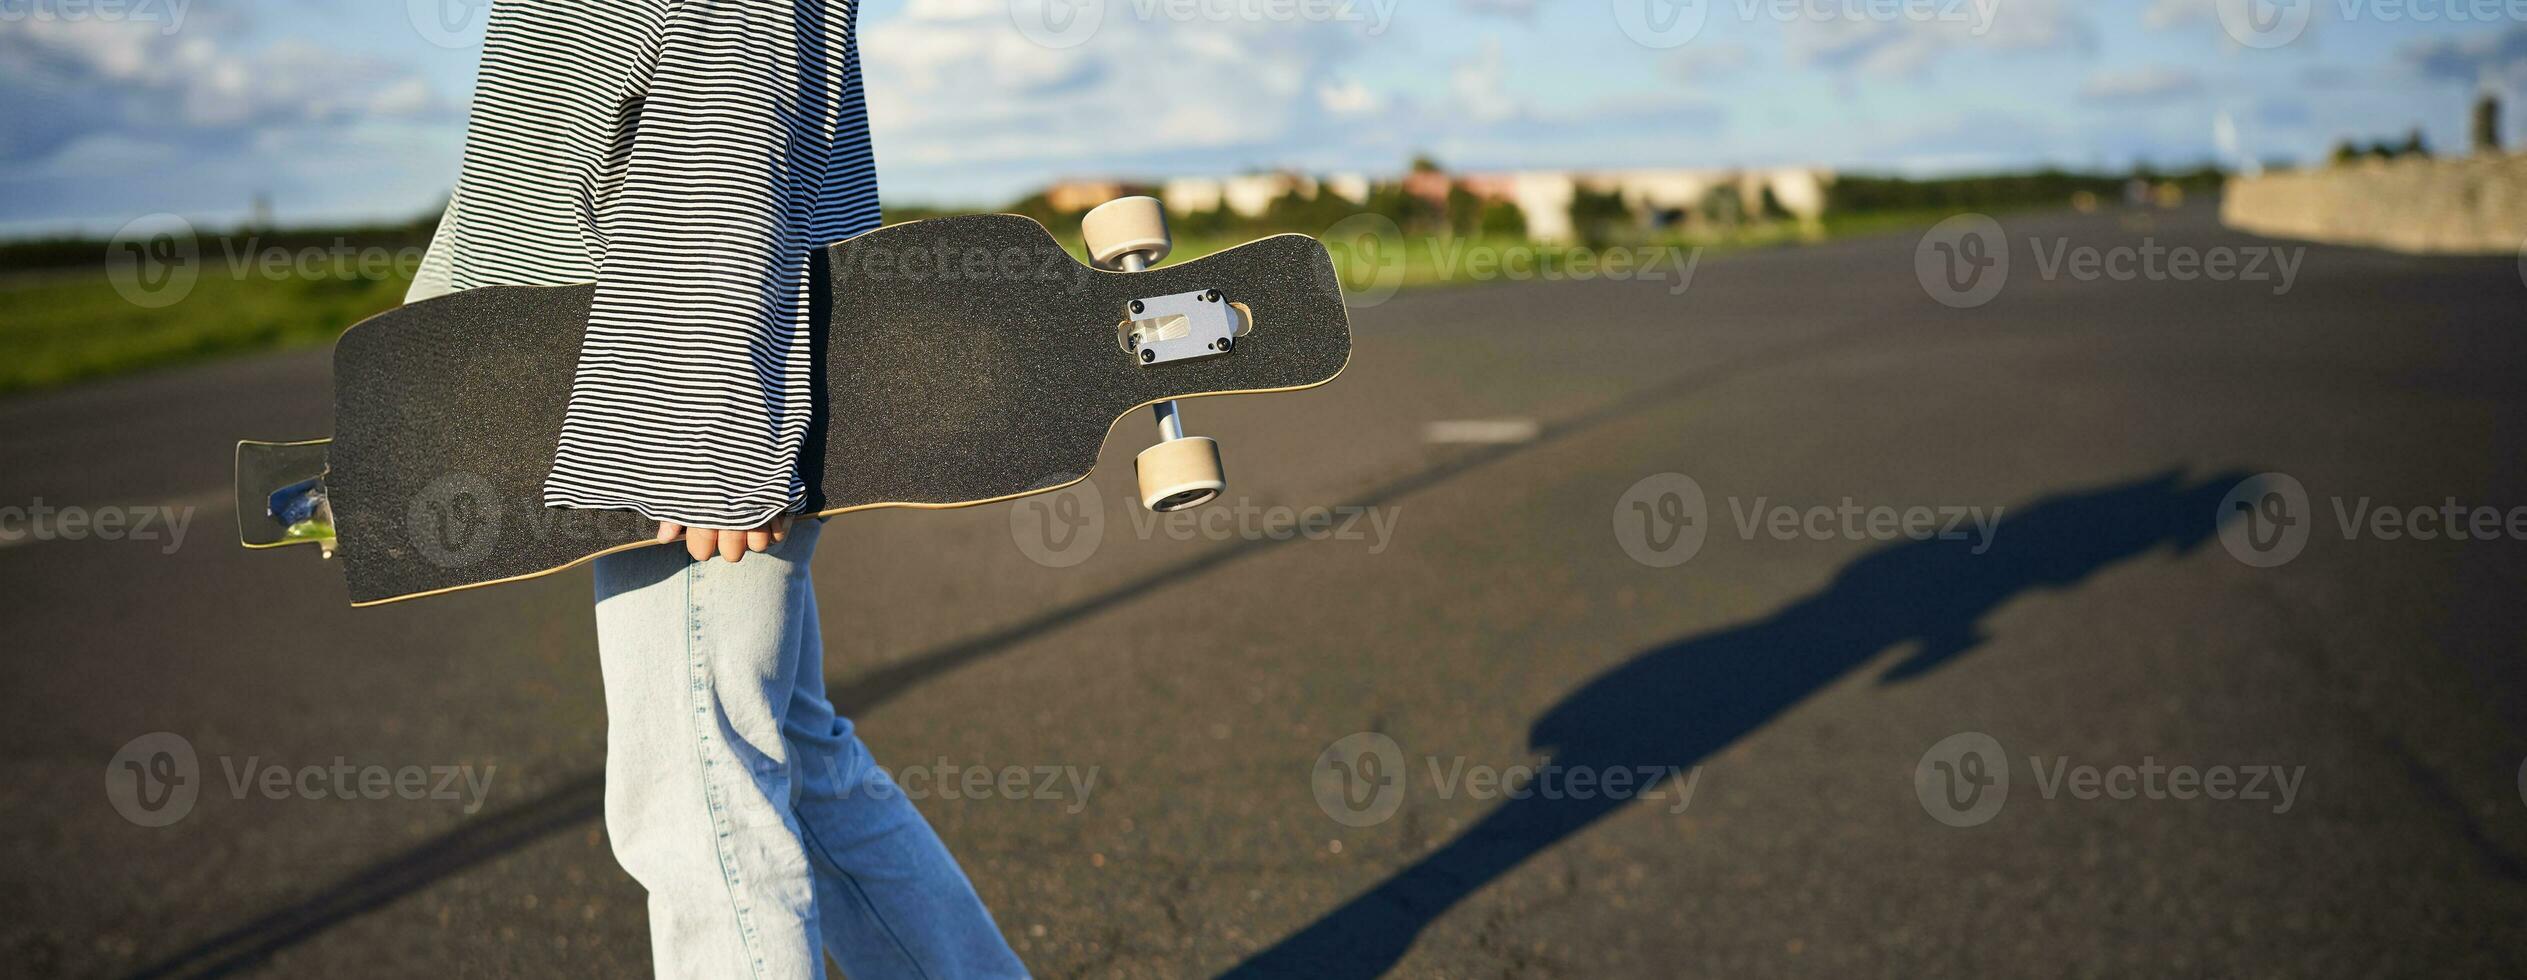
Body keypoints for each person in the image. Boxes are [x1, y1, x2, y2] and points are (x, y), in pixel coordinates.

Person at [409, 2, 1027, 976]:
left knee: (697, 799)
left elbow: (735, 96)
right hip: (620, 365)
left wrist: (705, 433)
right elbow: (539, 130)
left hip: (672, 392)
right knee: (784, 752)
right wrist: (441, 338)